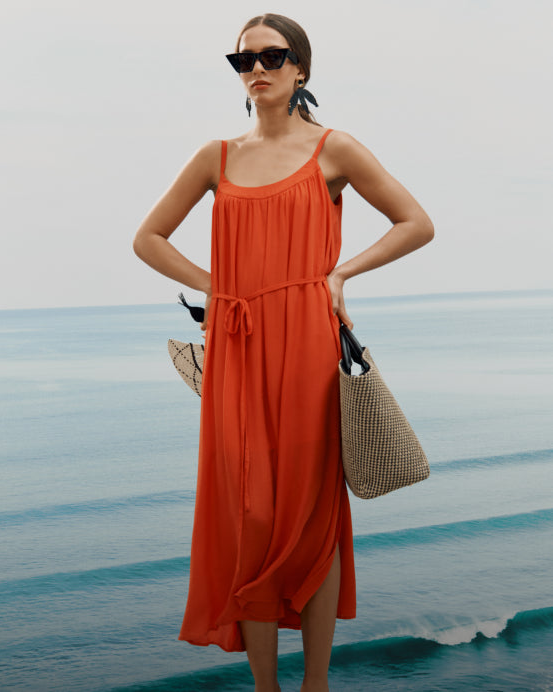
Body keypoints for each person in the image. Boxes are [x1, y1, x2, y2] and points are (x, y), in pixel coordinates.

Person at [133, 13, 434, 692]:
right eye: (242, 60)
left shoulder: (335, 148)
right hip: (238, 344)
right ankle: (267, 686)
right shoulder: (216, 156)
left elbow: (416, 223)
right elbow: (147, 238)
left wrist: (340, 274)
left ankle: (315, 684)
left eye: (272, 56)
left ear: (301, 68)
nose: (257, 70)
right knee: (251, 514)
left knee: (312, 510)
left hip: (307, 340)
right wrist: (218, 285)